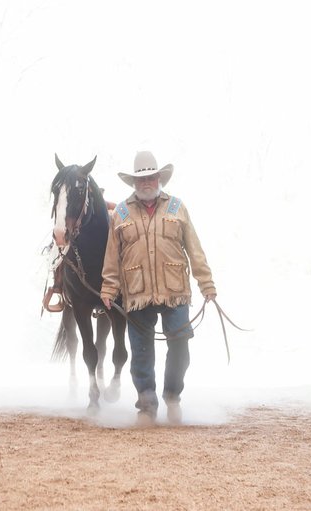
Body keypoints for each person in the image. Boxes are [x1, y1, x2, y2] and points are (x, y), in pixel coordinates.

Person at [100, 151, 217, 425]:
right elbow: (111, 256)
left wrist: (206, 283)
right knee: (140, 351)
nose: (146, 183)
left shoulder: (178, 207)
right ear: (134, 183)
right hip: (137, 293)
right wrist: (108, 288)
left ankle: (173, 396)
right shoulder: (121, 212)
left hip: (174, 291)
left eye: (150, 177)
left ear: (158, 178)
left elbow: (195, 250)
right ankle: (147, 406)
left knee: (180, 346)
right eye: (140, 179)